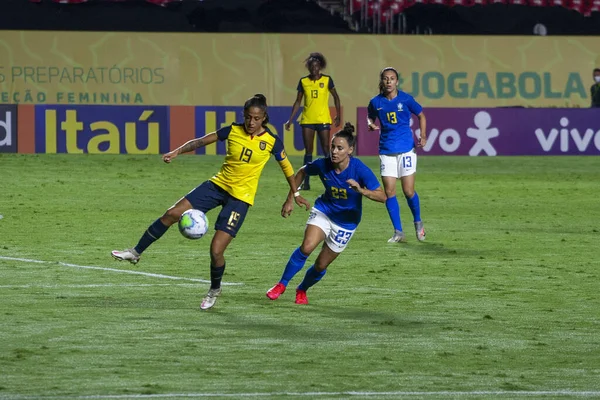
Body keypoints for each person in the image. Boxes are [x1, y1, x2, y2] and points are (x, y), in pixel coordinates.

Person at [111, 94, 310, 310]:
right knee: (171, 213)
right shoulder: (232, 130)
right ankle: (135, 252)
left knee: (216, 250)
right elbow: (201, 141)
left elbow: (288, 169)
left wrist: (294, 196)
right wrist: (177, 151)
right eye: (248, 117)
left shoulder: (272, 141)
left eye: (256, 118)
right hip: (216, 186)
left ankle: (214, 289)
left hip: (240, 199)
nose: (251, 123)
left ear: (264, 118)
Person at [266, 123, 386, 305]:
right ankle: (281, 285)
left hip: (346, 223)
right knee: (307, 247)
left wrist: (362, 190)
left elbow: (383, 196)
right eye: (332, 146)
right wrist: (292, 197)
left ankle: (302, 289)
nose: (334, 151)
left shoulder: (359, 169)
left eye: (340, 148)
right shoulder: (323, 164)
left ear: (350, 150)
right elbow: (301, 172)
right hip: (324, 211)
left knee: (321, 265)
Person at [367, 67, 427, 243]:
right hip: (386, 152)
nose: (388, 82)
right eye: (386, 79)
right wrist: (370, 124)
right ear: (382, 81)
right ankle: (398, 232)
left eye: (392, 79)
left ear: (397, 82)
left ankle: (418, 222)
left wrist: (423, 135)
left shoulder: (406, 99)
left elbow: (421, 115)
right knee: (389, 192)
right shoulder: (375, 102)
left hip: (406, 150)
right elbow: (369, 117)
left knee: (408, 191)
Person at [284, 52, 341, 191]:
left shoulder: (327, 80)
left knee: (326, 150)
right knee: (308, 151)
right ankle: (306, 182)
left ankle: (331, 180)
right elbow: (298, 102)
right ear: (309, 68)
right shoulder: (303, 81)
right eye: (311, 67)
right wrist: (290, 120)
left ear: (320, 66)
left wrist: (338, 115)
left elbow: (336, 97)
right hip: (307, 120)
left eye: (316, 66)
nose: (314, 69)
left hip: (323, 120)